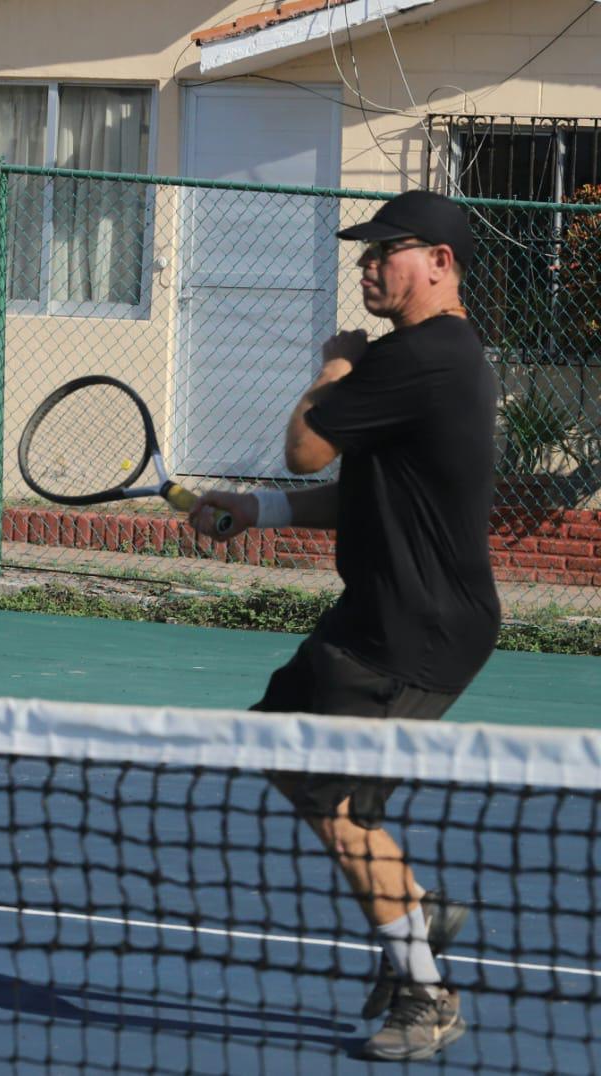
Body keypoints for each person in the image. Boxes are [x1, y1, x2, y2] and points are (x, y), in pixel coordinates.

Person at [189, 190, 498, 1063]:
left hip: (410, 633)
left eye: (385, 250)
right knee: (283, 749)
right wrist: (259, 510)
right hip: (376, 618)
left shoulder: (416, 356)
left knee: (340, 809)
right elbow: (364, 492)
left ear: (439, 262)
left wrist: (333, 368)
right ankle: (419, 909)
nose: (367, 264)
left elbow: (307, 446)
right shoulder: (442, 357)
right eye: (364, 251)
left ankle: (426, 996)